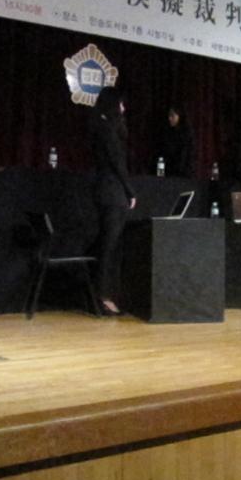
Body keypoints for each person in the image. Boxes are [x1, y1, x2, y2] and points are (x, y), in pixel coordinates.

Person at [90, 86, 136, 316]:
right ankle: (103, 297)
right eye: (121, 104)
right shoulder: (108, 129)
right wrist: (131, 192)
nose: (123, 109)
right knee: (110, 247)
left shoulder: (99, 126)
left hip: (104, 190)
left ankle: (102, 296)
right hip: (112, 192)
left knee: (107, 245)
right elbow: (118, 164)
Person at [157, 106, 194, 178]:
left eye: (172, 116)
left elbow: (186, 154)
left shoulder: (186, 133)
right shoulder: (166, 132)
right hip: (168, 173)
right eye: (169, 116)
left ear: (180, 116)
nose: (170, 119)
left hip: (184, 173)